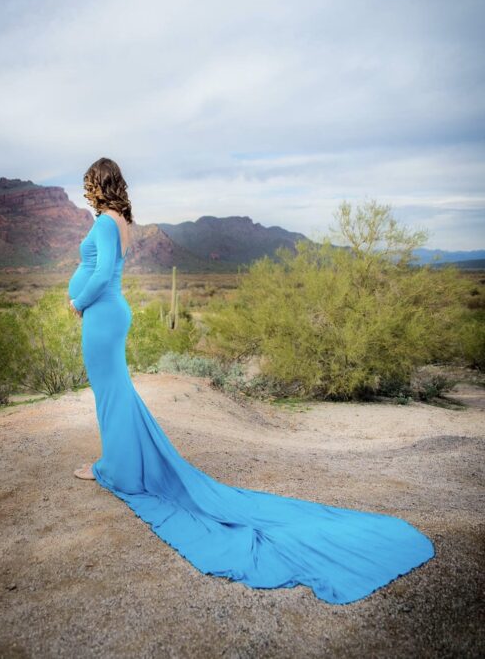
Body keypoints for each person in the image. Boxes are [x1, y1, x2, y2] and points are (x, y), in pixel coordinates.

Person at [66, 157, 435, 605]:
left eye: (88, 185)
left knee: (110, 394)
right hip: (111, 315)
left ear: (98, 185)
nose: (86, 193)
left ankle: (116, 469)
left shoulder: (105, 223)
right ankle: (120, 463)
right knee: (117, 393)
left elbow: (102, 274)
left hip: (101, 316)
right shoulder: (122, 220)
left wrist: (77, 302)